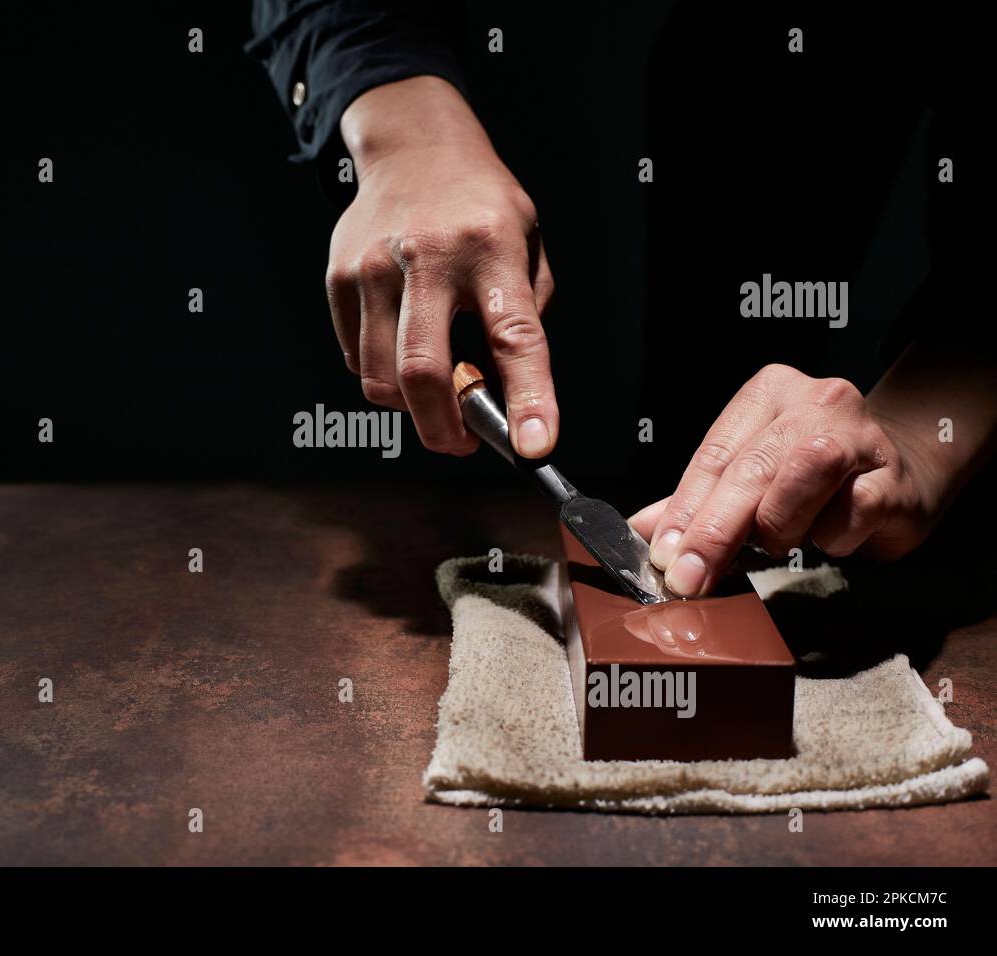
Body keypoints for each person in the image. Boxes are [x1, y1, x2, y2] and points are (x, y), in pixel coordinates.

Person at [247, 2, 991, 597]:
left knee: (834, 512)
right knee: (703, 473)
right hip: (745, 54)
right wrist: (407, 136)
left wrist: (920, 442)